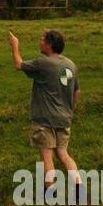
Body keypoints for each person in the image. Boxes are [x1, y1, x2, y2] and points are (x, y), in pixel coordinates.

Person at [8, 28, 80, 195]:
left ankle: (50, 192)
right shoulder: (71, 65)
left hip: (45, 120)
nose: (39, 41)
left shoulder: (43, 63)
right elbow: (77, 92)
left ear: (49, 45)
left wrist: (15, 46)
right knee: (63, 154)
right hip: (65, 118)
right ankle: (78, 188)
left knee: (47, 155)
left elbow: (19, 64)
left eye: (42, 39)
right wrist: (69, 109)